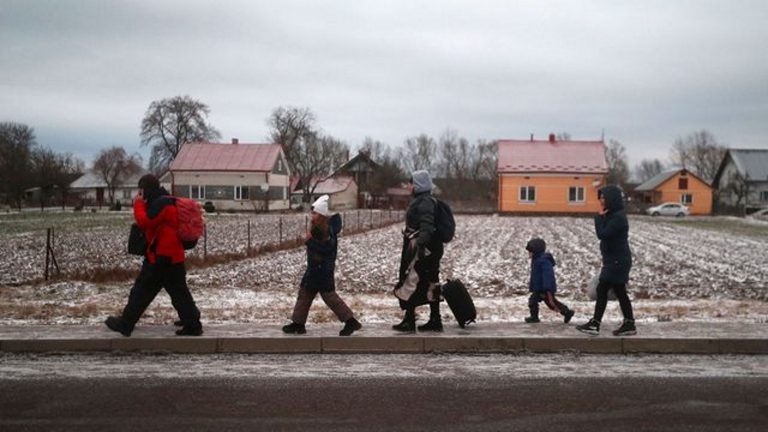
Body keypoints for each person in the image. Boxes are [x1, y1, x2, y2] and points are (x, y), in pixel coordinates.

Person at [105, 174, 203, 337]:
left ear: (145, 189)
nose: (140, 194)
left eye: (141, 190)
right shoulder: (167, 200)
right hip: (173, 256)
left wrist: (137, 204)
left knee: (142, 291)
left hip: (160, 257)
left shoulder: (160, 204)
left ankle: (125, 324)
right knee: (179, 292)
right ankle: (193, 323)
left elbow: (145, 222)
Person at [282, 195, 362, 336]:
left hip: (321, 271)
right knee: (304, 294)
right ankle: (298, 324)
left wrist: (309, 241)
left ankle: (351, 322)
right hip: (315, 269)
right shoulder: (321, 227)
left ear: (321, 215)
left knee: (329, 298)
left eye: (315, 213)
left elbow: (326, 248)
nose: (312, 215)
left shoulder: (324, 230)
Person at [576, 184, 637, 336]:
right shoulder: (614, 215)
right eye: (601, 197)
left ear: (612, 199)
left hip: (617, 262)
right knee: (620, 291)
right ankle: (629, 323)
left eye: (604, 197)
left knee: (602, 289)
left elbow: (602, 234)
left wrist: (598, 217)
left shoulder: (618, 218)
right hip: (615, 261)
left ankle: (595, 324)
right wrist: (603, 217)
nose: (601, 200)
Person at [392, 170, 444, 332]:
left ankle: (409, 320)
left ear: (418, 185)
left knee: (411, 281)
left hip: (422, 250)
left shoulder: (424, 202)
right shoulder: (426, 200)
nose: (409, 186)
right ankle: (435, 319)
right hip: (430, 249)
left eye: (411, 183)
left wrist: (420, 246)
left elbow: (427, 226)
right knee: (430, 282)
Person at [524, 238, 575, 324]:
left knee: (552, 304)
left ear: (535, 251)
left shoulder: (544, 261)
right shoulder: (536, 260)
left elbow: (548, 275)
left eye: (530, 251)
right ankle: (534, 317)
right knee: (532, 301)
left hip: (545, 288)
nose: (529, 253)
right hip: (538, 288)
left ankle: (567, 312)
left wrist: (547, 288)